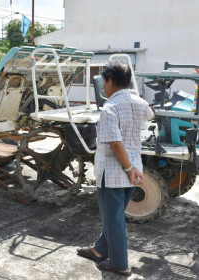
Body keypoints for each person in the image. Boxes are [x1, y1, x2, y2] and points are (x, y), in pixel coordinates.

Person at [77, 62, 154, 277]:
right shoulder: (140, 103)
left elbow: (115, 142)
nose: (104, 86)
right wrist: (131, 168)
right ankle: (99, 250)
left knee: (114, 221)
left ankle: (120, 265)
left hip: (114, 174)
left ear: (110, 81)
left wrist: (127, 168)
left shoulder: (110, 108)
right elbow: (151, 115)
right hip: (134, 171)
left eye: (104, 82)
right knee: (115, 217)